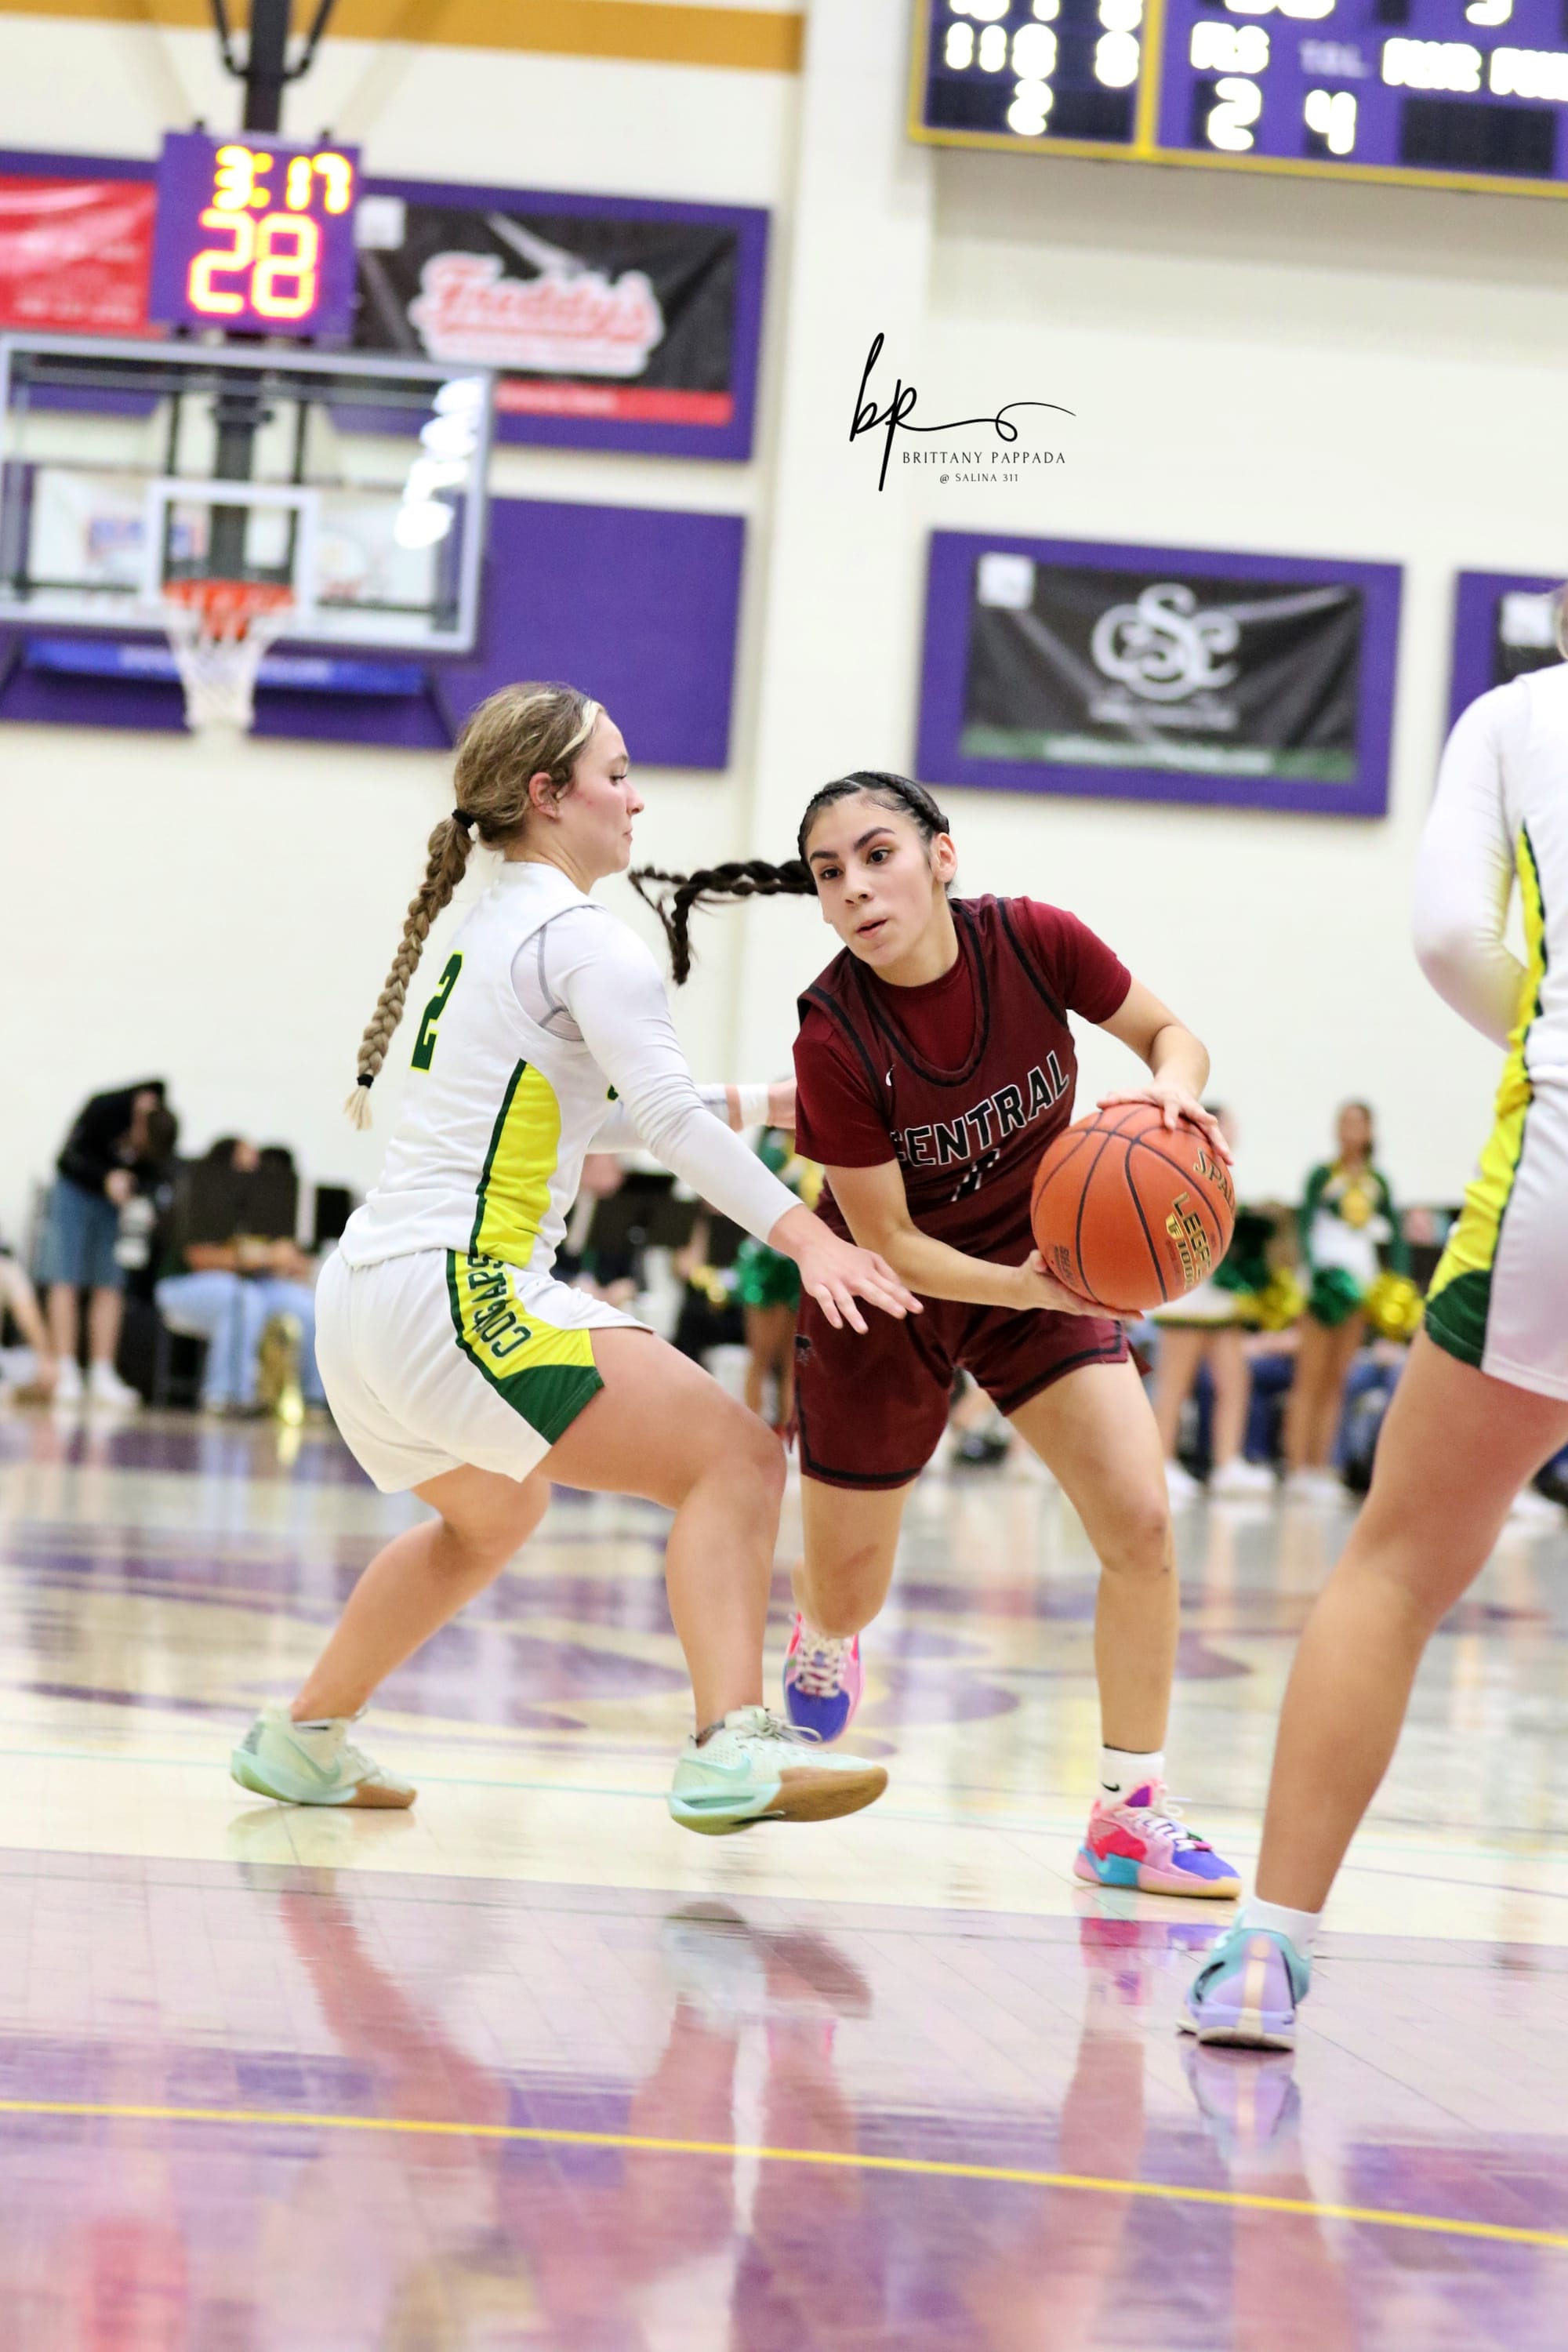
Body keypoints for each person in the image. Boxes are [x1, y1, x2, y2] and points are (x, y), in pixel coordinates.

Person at [230, 682, 918, 1835]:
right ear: (549, 795)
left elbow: (579, 1115)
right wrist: (807, 1240)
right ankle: (728, 1748)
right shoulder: (589, 939)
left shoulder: (486, 929)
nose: (636, 800)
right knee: (739, 1463)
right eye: (617, 774)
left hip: (361, 1303)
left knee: (492, 1519)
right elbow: (667, 1121)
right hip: (456, 1290)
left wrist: (762, 1104)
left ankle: (304, 1736)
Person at [633, 769, 1240, 1899]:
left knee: (1142, 1522)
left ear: (941, 856)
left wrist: (1173, 1093)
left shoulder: (1034, 941)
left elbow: (1170, 1034)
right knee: (850, 1591)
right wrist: (1033, 1290)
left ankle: (1127, 1816)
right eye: (829, 874)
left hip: (1038, 1265)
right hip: (884, 1295)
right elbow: (894, 1244)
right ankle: (825, 1630)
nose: (855, 889)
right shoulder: (833, 1032)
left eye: (878, 855)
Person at [1184, 645, 1568, 2049]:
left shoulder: (1520, 715)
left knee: (1396, 1569)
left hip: (1560, 1175)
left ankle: (1266, 1955)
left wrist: (1542, 1022)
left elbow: (1451, 938)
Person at [1279, 1102, 1406, 1498]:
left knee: (1337, 1379)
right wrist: (1311, 1275)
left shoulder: (1377, 1181)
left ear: (1370, 1131)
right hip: (1324, 1284)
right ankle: (1296, 1467)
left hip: (1360, 1286)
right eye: (1344, 1122)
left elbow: (1397, 1237)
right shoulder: (1322, 1175)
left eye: (1357, 1123)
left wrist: (1396, 1286)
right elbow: (1303, 1226)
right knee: (1309, 1376)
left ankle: (1320, 1467)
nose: (1350, 1129)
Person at [1149, 1105, 1276, 1501]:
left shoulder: (1230, 1176)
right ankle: (1161, 1462)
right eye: (1226, 1124)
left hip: (1222, 1299)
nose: (1233, 1131)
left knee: (1235, 1381)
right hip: (1187, 1296)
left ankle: (1227, 1463)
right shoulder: (1179, 1170)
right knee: (1175, 1385)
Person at [154, 1138, 327, 1416]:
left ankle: (314, 1399)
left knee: (306, 1306)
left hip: (252, 1284)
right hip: (185, 1285)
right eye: (244, 1160)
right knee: (244, 1302)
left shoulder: (265, 1203)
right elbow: (199, 1258)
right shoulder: (198, 1198)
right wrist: (263, 1257)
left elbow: (280, 1259)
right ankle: (226, 1394)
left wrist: (286, 1261)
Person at [38, 1080, 178, 1407]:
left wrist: (137, 1188)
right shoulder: (105, 1108)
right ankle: (65, 1367)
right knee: (65, 1277)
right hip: (75, 1191)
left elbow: (157, 1171)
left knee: (111, 1283)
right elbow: (67, 1158)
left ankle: (102, 1370)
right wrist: (104, 1178)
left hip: (113, 1207)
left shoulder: (159, 1128)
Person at [732, 1126, 816, 1430]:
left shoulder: (815, 1150)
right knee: (762, 1355)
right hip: (767, 1261)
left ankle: (789, 1431)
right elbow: (755, 1198)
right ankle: (752, 1429)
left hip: (800, 1261)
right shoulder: (773, 1149)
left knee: (794, 1356)